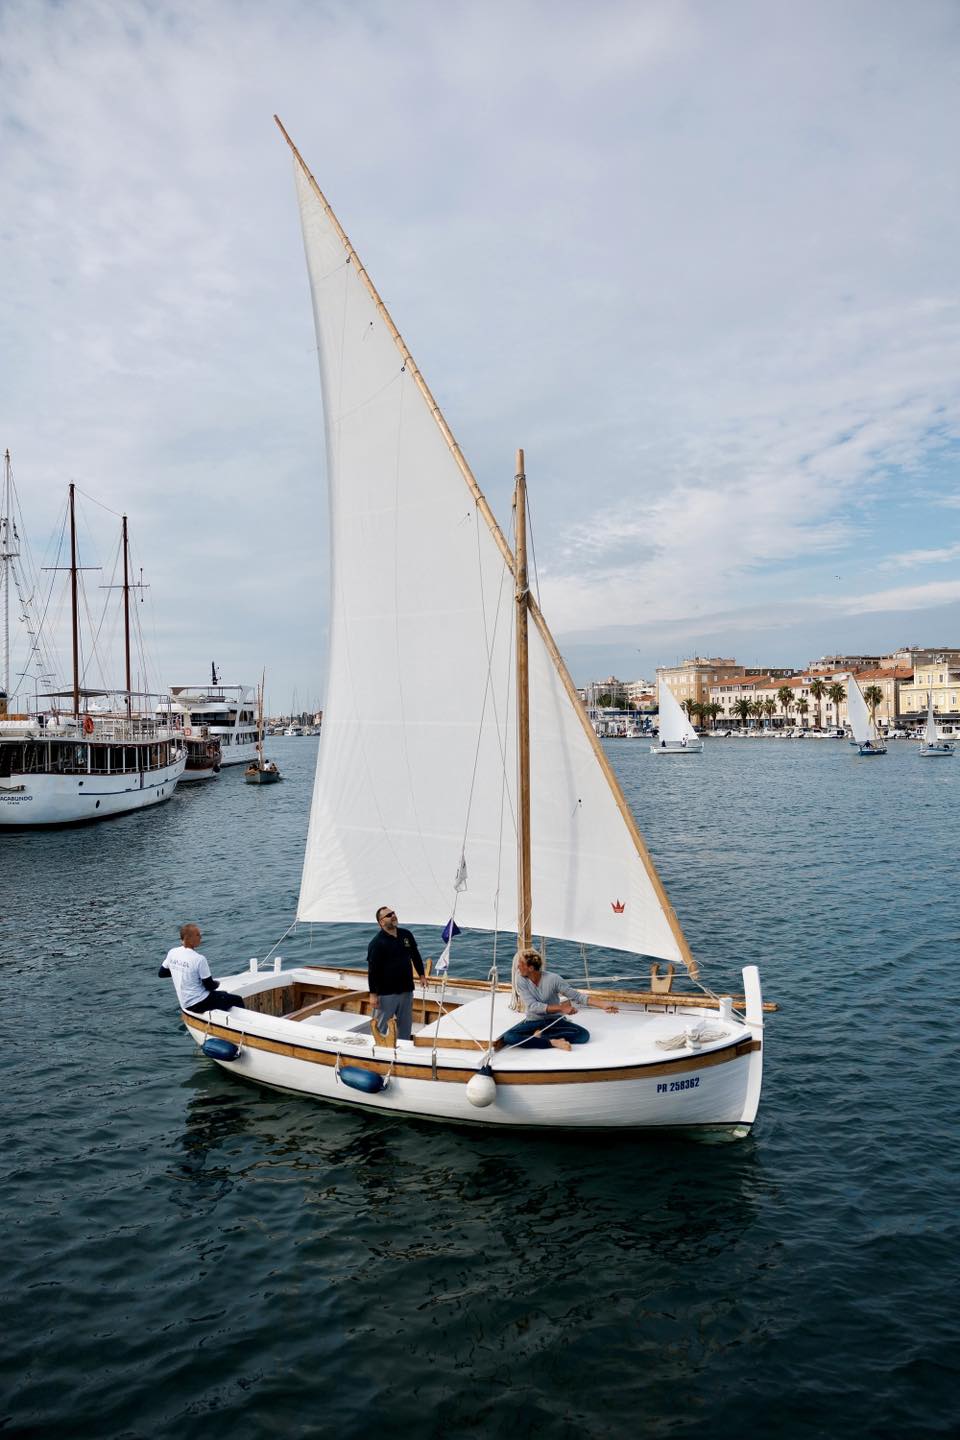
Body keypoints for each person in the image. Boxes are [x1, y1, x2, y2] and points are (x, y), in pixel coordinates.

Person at [501, 951, 619, 1051]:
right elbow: (533, 1006)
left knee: (583, 1036)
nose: (517, 967)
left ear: (531, 968)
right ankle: (552, 1042)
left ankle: (540, 1036)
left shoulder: (553, 979)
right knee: (509, 1037)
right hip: (533, 1021)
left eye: (521, 964)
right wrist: (561, 1008)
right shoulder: (521, 979)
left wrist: (603, 1004)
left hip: (554, 1020)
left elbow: (577, 996)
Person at [158, 923, 246, 1013]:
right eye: (197, 935)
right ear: (188, 938)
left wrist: (181, 971)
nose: (201, 937)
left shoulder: (172, 952)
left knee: (223, 994)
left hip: (185, 1004)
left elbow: (162, 973)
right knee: (237, 999)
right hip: (199, 1003)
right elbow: (210, 986)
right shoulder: (199, 959)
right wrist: (217, 983)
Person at [367, 905, 425, 1041]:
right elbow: (372, 970)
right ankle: (375, 1048)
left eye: (393, 913)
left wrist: (422, 975)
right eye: (388, 915)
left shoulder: (406, 935)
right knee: (380, 1027)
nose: (393, 915)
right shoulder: (377, 943)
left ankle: (402, 1049)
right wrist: (373, 994)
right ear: (381, 922)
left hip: (406, 990)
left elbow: (415, 955)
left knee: (405, 1026)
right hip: (386, 993)